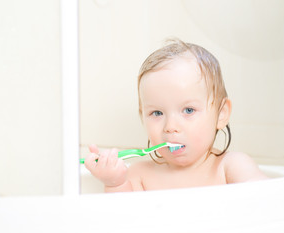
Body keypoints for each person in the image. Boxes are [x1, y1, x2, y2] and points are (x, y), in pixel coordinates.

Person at [84, 39, 268, 192]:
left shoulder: (231, 167)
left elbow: (268, 201)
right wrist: (115, 183)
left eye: (188, 110)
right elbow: (123, 223)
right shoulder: (139, 176)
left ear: (221, 114)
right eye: (157, 113)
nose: (170, 126)